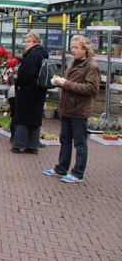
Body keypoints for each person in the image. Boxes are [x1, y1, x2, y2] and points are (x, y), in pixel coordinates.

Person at [43, 35, 100, 183]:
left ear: (85, 49)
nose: (73, 50)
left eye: (76, 47)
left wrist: (66, 83)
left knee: (80, 143)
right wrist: (59, 82)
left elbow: (92, 88)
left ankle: (78, 173)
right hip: (66, 107)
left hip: (79, 110)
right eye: (72, 47)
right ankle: (61, 168)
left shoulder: (92, 66)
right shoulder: (73, 62)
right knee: (65, 140)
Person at [11, 32, 48, 154]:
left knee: (22, 117)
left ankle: (19, 144)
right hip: (40, 91)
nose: (25, 44)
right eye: (25, 42)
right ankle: (33, 145)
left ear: (35, 42)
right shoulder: (43, 55)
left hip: (28, 91)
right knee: (35, 119)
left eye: (28, 42)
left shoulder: (32, 56)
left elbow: (26, 75)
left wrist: (18, 81)